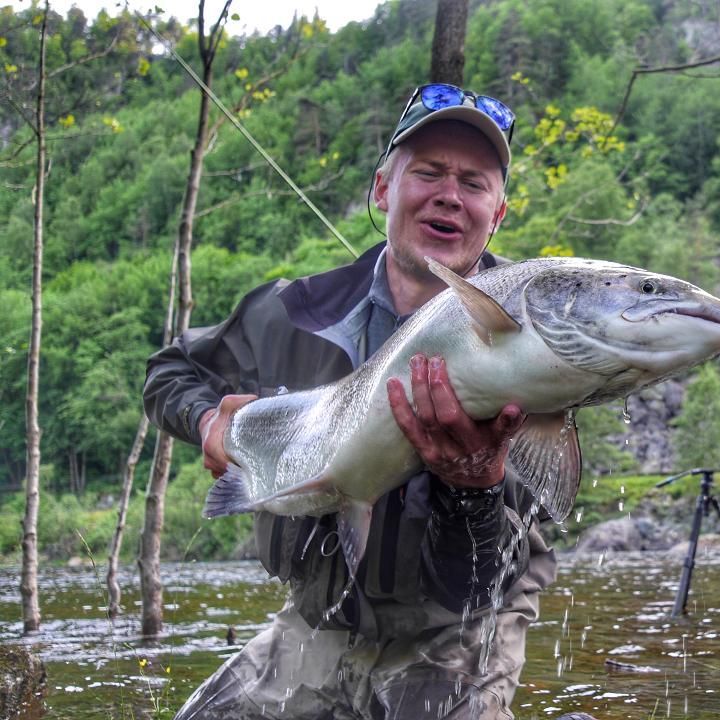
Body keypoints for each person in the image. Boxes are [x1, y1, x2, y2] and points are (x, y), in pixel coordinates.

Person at [144, 84, 562, 720]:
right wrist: (209, 421)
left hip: (458, 633)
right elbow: (170, 369)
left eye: (474, 182)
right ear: (381, 189)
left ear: (497, 214)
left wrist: (476, 484)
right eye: (428, 172)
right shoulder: (293, 312)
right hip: (318, 624)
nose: (450, 194)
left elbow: (482, 580)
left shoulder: (534, 343)